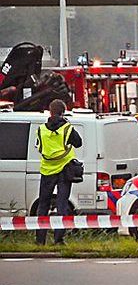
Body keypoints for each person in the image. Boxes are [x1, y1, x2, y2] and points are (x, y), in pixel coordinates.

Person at [35, 99, 82, 245]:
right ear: (63, 113)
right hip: (64, 170)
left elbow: (39, 147)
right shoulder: (67, 128)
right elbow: (78, 143)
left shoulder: (41, 129)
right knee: (62, 204)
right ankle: (58, 239)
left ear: (50, 111)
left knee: (43, 205)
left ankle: (40, 240)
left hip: (47, 170)